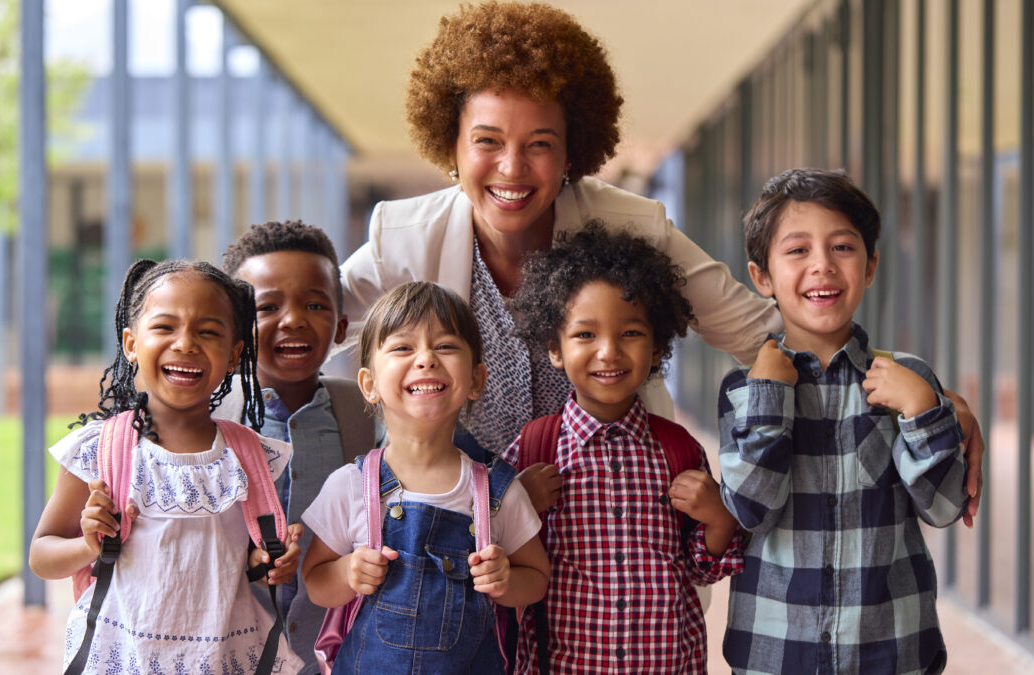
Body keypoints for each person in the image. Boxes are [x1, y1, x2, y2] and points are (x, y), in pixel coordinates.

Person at [335, 1, 983, 526]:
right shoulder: (405, 235)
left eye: (540, 144)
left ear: (572, 153)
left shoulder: (628, 224)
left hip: (610, 525)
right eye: (487, 142)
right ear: (449, 143)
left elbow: (765, 331)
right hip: (468, 529)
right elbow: (310, 314)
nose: (511, 168)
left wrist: (919, 393)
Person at [718, 169, 968, 674]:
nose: (822, 266)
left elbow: (944, 507)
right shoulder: (744, 389)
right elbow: (748, 508)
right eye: (797, 250)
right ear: (761, 275)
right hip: (776, 652)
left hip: (893, 650)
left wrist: (922, 409)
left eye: (842, 248)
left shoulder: (907, 380)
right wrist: (771, 395)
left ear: (871, 265)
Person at [28, 259, 304, 673]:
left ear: (233, 355)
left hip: (222, 658)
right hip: (123, 658)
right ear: (131, 343)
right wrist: (88, 545)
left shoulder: (249, 456)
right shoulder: (101, 451)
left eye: (208, 332)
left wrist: (270, 564)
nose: (186, 343)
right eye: (164, 327)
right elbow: (41, 555)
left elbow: (243, 564)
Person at [504, 224, 744, 673]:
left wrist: (718, 517)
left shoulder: (677, 449)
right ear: (555, 349)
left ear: (657, 348)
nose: (609, 352)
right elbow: (494, 557)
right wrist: (516, 506)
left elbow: (702, 569)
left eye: (631, 333)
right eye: (585, 335)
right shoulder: (536, 449)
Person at [301, 281, 550, 674]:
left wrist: (505, 581)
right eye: (403, 347)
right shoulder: (349, 485)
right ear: (369, 385)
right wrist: (347, 572)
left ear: (476, 380)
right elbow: (315, 582)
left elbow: (536, 578)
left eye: (446, 346)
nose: (426, 359)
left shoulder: (498, 491)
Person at [220, 220, 380, 672]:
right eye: (267, 306)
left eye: (315, 303)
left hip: (331, 656)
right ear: (233, 330)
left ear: (342, 326)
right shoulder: (206, 422)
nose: (293, 319)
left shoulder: (366, 419)